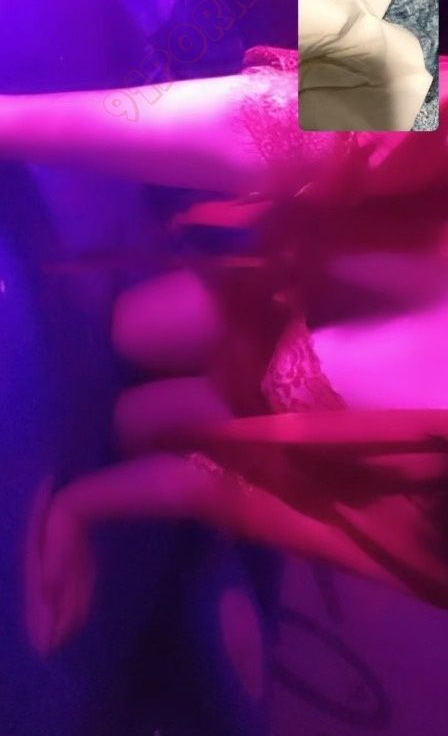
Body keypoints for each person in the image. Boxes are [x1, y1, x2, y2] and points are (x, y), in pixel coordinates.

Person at [2, 49, 446, 653]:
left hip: (263, 417)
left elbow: (240, 496)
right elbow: (331, 75)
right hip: (275, 277)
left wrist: (77, 509)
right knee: (129, 326)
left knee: (129, 422)